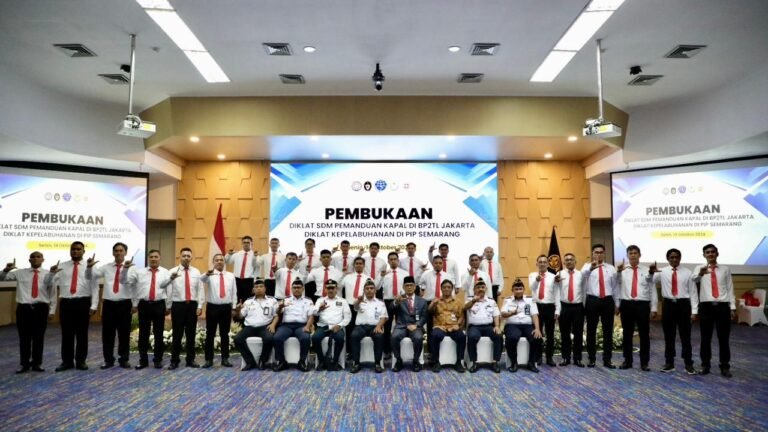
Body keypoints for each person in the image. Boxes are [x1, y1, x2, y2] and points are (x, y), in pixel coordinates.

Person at [1, 252, 55, 373]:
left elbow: (52, 294)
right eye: (33, 257)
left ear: (43, 260)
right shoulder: (20, 273)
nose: (35, 259)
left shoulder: (49, 274)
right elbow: (2, 278)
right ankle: (24, 364)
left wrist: (52, 310)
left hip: (41, 309)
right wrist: (6, 270)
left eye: (38, 257)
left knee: (38, 338)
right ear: (29, 260)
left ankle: (37, 363)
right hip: (24, 309)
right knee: (24, 338)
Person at [85, 242, 134, 369]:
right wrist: (89, 267)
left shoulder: (132, 268)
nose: (118, 253)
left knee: (124, 334)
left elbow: (130, 284)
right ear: (113, 253)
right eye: (116, 250)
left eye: (121, 250)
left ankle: (123, 359)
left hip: (125, 303)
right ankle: (108, 360)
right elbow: (90, 277)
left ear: (125, 253)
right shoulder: (106, 267)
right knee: (107, 334)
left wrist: (135, 304)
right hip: (109, 304)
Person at [52, 241, 99, 372]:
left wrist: (94, 305)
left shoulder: (91, 266)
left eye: (78, 249)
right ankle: (67, 362)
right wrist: (51, 274)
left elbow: (95, 287)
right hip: (66, 303)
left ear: (83, 251)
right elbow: (50, 283)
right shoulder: (62, 266)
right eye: (73, 249)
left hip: (83, 303)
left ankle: (81, 361)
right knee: (66, 334)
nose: (75, 251)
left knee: (82, 334)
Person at [122, 249, 171, 370]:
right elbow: (124, 281)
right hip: (144, 305)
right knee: (143, 334)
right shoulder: (139, 272)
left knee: (159, 334)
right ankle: (143, 360)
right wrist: (125, 269)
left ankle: (158, 360)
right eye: (151, 257)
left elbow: (169, 290)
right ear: (148, 258)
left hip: (159, 304)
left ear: (160, 258)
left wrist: (168, 306)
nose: (153, 259)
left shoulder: (166, 272)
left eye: (156, 256)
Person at [652, 248, 698, 374]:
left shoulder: (688, 272)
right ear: (668, 259)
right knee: (669, 336)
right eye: (671, 257)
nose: (674, 259)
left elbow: (693, 292)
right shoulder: (662, 271)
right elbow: (650, 281)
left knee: (685, 336)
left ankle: (688, 363)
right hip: (668, 305)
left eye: (676, 257)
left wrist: (694, 311)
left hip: (683, 305)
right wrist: (652, 272)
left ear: (680, 258)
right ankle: (669, 362)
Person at [693, 243, 735, 378]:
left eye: (712, 252)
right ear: (704, 255)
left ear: (717, 253)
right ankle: (705, 365)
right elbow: (694, 280)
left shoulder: (725, 269)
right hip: (706, 307)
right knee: (705, 338)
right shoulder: (699, 268)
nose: (710, 254)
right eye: (707, 252)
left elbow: (730, 288)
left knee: (724, 338)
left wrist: (732, 307)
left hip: (723, 306)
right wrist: (701, 273)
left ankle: (725, 366)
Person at [616, 245, 657, 371]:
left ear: (639, 255)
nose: (633, 255)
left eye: (635, 253)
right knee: (627, 334)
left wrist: (654, 307)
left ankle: (644, 362)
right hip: (627, 304)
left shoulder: (647, 270)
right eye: (630, 253)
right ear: (627, 255)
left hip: (642, 305)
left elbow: (652, 289)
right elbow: (616, 286)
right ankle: (627, 361)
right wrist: (617, 305)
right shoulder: (622, 270)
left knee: (644, 334)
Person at [163, 247, 203, 369]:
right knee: (177, 334)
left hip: (192, 305)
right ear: (179, 257)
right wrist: (168, 305)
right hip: (178, 305)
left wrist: (200, 305)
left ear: (191, 257)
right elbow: (167, 289)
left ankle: (190, 360)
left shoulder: (196, 272)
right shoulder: (172, 271)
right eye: (184, 255)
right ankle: (174, 360)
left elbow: (200, 289)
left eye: (188, 256)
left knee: (191, 334)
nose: (186, 258)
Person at [581, 243, 620, 369]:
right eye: (596, 252)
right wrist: (591, 268)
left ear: (604, 253)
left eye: (601, 252)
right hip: (592, 300)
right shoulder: (587, 266)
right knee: (591, 331)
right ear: (592, 254)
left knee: (608, 331)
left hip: (607, 301)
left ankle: (607, 359)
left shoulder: (611, 268)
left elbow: (615, 287)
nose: (598, 254)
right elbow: (582, 276)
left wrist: (617, 303)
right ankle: (591, 359)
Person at [200, 253, 238, 368]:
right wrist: (207, 273)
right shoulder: (209, 275)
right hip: (212, 307)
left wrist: (234, 307)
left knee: (224, 334)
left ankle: (225, 359)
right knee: (210, 334)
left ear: (224, 262)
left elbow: (234, 292)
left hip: (226, 308)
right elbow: (201, 279)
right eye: (217, 260)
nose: (219, 262)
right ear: (213, 262)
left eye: (221, 260)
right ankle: (209, 359)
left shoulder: (231, 276)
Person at [233, 278, 279, 371]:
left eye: (261, 286)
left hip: (265, 326)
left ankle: (263, 361)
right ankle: (250, 361)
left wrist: (273, 325)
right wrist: (238, 310)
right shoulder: (248, 301)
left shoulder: (272, 300)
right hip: (250, 327)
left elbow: (276, 315)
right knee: (237, 339)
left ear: (265, 288)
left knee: (269, 338)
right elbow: (240, 316)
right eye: (256, 287)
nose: (259, 288)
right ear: (253, 290)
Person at [273, 279, 315, 372]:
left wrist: (307, 326)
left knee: (305, 338)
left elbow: (311, 316)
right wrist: (280, 307)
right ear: (291, 289)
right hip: (286, 326)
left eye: (298, 288)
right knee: (277, 338)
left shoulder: (308, 301)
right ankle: (282, 362)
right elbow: (278, 313)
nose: (296, 289)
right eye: (294, 288)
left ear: (303, 289)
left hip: (301, 325)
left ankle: (302, 362)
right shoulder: (286, 299)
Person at [501, 279, 542, 373]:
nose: (518, 291)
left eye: (520, 289)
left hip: (527, 325)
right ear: (512, 290)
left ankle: (531, 363)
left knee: (536, 338)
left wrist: (537, 329)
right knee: (512, 338)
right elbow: (503, 314)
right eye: (516, 289)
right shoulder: (507, 300)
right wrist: (511, 313)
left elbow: (534, 315)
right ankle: (514, 363)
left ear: (523, 289)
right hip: (512, 325)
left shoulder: (530, 300)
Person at [311, 279, 351, 371]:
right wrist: (320, 309)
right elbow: (314, 313)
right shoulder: (320, 300)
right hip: (323, 326)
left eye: (332, 288)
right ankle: (321, 361)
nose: (330, 290)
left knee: (340, 339)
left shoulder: (343, 301)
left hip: (337, 326)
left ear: (336, 289)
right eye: (328, 288)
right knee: (315, 338)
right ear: (325, 289)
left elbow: (348, 317)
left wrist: (340, 325)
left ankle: (335, 361)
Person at [463, 279, 502, 373]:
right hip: (474, 327)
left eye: (482, 287)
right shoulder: (469, 299)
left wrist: (497, 326)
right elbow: (465, 307)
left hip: (489, 326)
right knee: (472, 337)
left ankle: (495, 362)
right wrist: (473, 301)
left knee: (498, 336)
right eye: (478, 287)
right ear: (474, 289)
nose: (480, 289)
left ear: (486, 289)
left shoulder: (491, 301)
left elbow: (496, 315)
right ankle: (474, 362)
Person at [349, 279, 388, 373]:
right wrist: (358, 301)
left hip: (374, 326)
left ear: (375, 290)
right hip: (361, 327)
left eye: (371, 288)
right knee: (354, 335)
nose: (369, 290)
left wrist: (379, 326)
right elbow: (355, 307)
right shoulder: (360, 301)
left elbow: (384, 317)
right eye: (367, 288)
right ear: (364, 290)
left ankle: (377, 363)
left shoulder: (380, 303)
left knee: (379, 336)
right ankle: (356, 363)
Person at [554, 253, 586, 367]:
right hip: (565, 307)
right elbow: (556, 292)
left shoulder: (581, 275)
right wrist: (557, 309)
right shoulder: (559, 275)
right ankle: (565, 358)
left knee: (578, 334)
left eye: (571, 259)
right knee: (565, 334)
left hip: (578, 307)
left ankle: (578, 359)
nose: (569, 261)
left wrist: (585, 307)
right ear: (564, 262)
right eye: (566, 260)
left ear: (575, 261)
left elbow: (584, 291)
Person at [428, 280, 466, 373]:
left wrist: (457, 325)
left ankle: (458, 362)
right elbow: (429, 312)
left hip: (453, 326)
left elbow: (461, 316)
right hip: (440, 327)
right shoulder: (436, 301)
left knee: (461, 336)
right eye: (444, 287)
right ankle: (436, 362)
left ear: (452, 289)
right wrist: (432, 304)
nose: (446, 289)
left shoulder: (458, 302)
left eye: (449, 287)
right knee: (435, 335)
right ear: (441, 289)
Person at [391, 276, 427, 372]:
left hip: (415, 327)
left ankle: (415, 361)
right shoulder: (400, 299)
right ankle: (398, 360)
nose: (409, 287)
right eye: (407, 285)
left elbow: (424, 317)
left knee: (418, 338)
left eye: (411, 285)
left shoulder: (422, 301)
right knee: (394, 337)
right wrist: (395, 302)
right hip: (401, 326)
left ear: (415, 287)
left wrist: (417, 325)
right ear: (403, 287)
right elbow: (391, 310)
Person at [529, 254, 559, 367]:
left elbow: (557, 293)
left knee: (550, 334)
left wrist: (558, 309)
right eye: (540, 262)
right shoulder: (532, 275)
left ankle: (549, 357)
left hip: (550, 307)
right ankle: (538, 356)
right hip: (536, 307)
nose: (542, 264)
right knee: (538, 333)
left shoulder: (553, 276)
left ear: (548, 264)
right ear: (537, 264)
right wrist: (537, 280)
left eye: (544, 262)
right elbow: (532, 288)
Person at [378, 252, 406, 358]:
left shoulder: (405, 273)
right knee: (387, 326)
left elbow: (409, 287)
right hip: (387, 301)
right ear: (388, 261)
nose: (393, 261)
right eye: (391, 259)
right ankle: (387, 350)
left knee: (401, 326)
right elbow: (377, 287)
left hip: (401, 300)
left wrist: (402, 295)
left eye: (395, 259)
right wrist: (381, 276)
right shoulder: (384, 274)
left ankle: (399, 350)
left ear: (398, 261)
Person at [225, 236, 258, 304]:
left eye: (248, 242)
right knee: (236, 299)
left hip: (248, 281)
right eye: (244, 242)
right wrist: (228, 254)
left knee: (248, 301)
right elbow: (227, 262)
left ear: (251, 243)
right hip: (237, 280)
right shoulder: (236, 254)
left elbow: (256, 266)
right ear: (242, 243)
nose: (246, 244)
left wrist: (255, 257)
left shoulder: (255, 255)